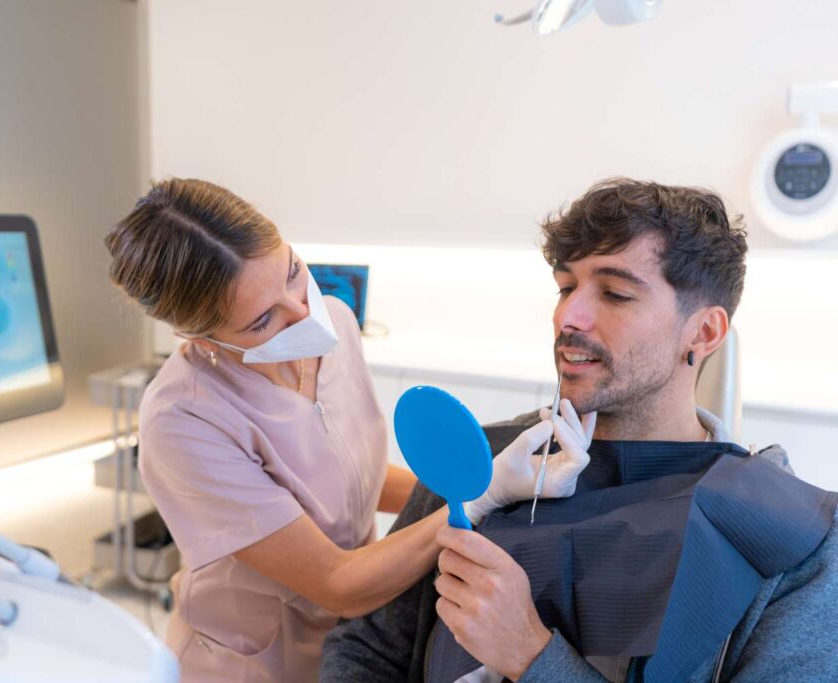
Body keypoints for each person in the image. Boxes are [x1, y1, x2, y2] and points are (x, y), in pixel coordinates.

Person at [320, 178, 838, 683]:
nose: (569, 315)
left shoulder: (791, 537)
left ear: (704, 332)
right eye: (566, 287)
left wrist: (529, 653)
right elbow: (365, 647)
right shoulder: (482, 462)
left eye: (614, 294)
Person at [103, 178, 588, 682]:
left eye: (293, 271)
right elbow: (337, 582)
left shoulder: (334, 321)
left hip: (351, 640)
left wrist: (491, 488)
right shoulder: (185, 421)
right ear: (197, 335)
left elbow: (354, 479)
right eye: (262, 320)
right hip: (254, 663)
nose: (303, 314)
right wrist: (479, 495)